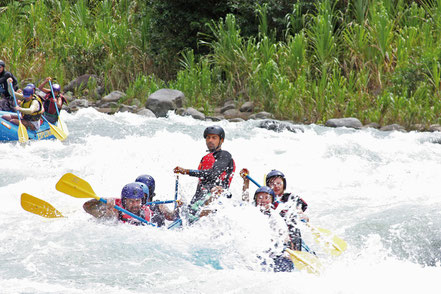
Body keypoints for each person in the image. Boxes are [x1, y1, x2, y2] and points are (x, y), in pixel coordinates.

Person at [173, 125, 235, 220]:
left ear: (221, 140)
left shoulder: (225, 155)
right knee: (183, 211)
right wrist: (191, 203)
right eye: (208, 138)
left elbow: (214, 174)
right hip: (201, 197)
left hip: (217, 196)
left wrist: (187, 171)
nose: (210, 140)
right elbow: (201, 184)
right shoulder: (205, 158)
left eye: (214, 138)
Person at [240, 168, 308, 251]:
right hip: (270, 232)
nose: (276, 186)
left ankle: (294, 249)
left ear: (284, 185)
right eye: (272, 184)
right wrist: (246, 182)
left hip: (287, 232)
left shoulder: (290, 198)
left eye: (279, 183)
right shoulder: (264, 199)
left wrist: (301, 215)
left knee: (292, 219)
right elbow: (245, 204)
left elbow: (299, 210)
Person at [251, 186, 295, 272]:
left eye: (266, 198)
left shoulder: (275, 217)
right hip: (259, 251)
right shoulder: (252, 213)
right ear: (256, 200)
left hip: (276, 250)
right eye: (260, 198)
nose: (263, 200)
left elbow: (284, 237)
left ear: (271, 201)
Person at [83, 182, 156, 226]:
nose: (135, 205)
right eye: (131, 201)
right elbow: (87, 207)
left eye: (137, 201)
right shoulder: (115, 209)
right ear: (124, 200)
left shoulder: (146, 212)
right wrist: (103, 200)